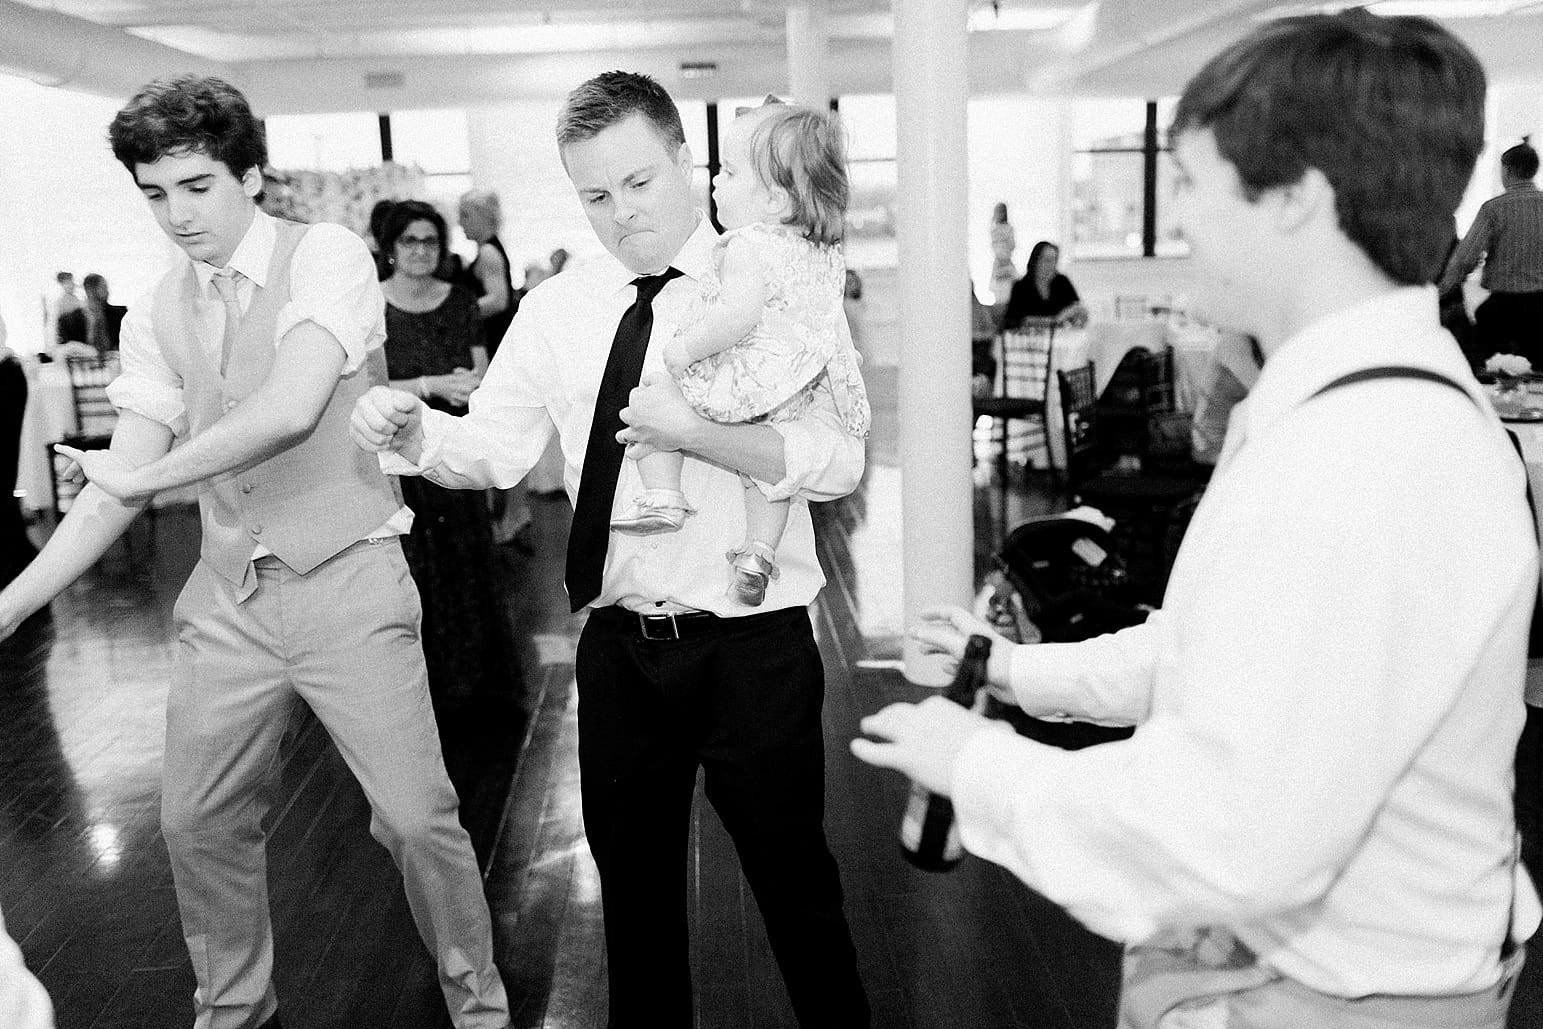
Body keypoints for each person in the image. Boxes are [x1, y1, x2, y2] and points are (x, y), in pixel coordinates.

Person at [855, 12, 1538, 1027]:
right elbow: (1218, 653)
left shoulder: (1365, 456)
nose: (1178, 221)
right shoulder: (1350, 409)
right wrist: (1007, 668)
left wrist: (979, 767)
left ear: (1296, 198)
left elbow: (1234, 834)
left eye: (1193, 183)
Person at [352, 69, 869, 1027]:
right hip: (621, 651)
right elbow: (498, 448)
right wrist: (412, 432)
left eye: (639, 183)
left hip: (757, 641)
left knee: (799, 893)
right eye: (595, 195)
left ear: (687, 161)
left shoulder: (773, 267)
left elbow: (838, 460)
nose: (621, 215)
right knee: (631, 912)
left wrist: (700, 435)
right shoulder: (557, 308)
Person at [0, 75, 511, 1029]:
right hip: (228, 594)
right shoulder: (153, 312)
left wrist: (140, 480)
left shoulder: (325, 257)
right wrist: (13, 602)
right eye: (154, 193)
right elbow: (119, 484)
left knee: (413, 819)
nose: (176, 215)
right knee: (195, 822)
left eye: (196, 186)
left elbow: (290, 408)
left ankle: (478, 1006)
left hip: (350, 579)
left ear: (252, 177)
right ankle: (233, 1010)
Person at [609, 101, 870, 606]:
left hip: (739, 373)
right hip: (790, 385)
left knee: (655, 397)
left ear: (774, 199)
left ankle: (662, 494)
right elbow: (824, 328)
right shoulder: (819, 254)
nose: (714, 183)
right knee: (771, 480)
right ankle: (757, 552)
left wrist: (685, 348)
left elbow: (735, 316)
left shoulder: (747, 245)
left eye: (728, 171)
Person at [378, 199, 516, 706]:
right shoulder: (371, 304)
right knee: (412, 573)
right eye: (409, 241)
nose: (420, 250)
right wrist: (430, 383)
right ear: (391, 249)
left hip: (450, 451)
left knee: (466, 565)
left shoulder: (459, 301)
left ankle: (474, 690)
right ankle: (419, 695)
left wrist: (467, 384)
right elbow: (365, 388)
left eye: (430, 241)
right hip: (394, 458)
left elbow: (479, 370)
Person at [1441, 137, 1543, 367]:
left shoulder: (1494, 209)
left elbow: (1466, 258)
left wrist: (1443, 290)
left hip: (1503, 312)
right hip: (1541, 309)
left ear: (1507, 170)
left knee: (1478, 365)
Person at [1002, 240, 1088, 330]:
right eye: (1047, 260)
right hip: (1031, 338)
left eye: (1055, 260)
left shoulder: (1062, 282)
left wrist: (1078, 314)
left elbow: (1076, 307)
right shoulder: (1021, 286)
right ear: (1035, 261)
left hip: (1062, 336)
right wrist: (1055, 320)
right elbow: (1015, 320)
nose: (1052, 265)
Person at [80, 273, 126, 353]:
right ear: (90, 290)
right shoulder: (72, 320)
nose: (107, 291)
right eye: (103, 287)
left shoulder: (119, 313)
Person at [988, 201, 1016, 310]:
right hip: (1000, 266)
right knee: (999, 296)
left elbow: (1012, 245)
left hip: (1006, 265)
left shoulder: (1006, 229)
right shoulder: (996, 230)